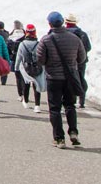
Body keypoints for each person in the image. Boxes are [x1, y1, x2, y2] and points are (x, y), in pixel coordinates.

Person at [36, 11, 86, 149]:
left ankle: (59, 138)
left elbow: (40, 59)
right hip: (70, 78)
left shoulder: (45, 40)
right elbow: (81, 58)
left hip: (54, 78)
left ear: (50, 24)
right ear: (62, 22)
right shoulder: (75, 39)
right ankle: (74, 132)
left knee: (55, 108)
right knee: (70, 105)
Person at [14, 24, 45, 113]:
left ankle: (26, 101)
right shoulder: (39, 44)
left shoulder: (22, 44)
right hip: (37, 67)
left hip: (25, 67)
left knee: (26, 84)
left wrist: (16, 69)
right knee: (37, 86)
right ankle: (37, 106)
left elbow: (18, 58)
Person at [65, 13, 92, 108]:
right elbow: (88, 47)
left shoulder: (63, 34)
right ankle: (82, 101)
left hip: (67, 61)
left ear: (66, 22)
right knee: (80, 79)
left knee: (67, 80)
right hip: (81, 61)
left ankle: (70, 99)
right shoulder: (82, 34)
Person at [8, 20, 26, 102]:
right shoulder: (24, 35)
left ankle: (20, 94)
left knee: (18, 77)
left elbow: (8, 48)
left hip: (15, 59)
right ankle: (25, 93)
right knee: (24, 77)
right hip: (25, 59)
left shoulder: (11, 36)